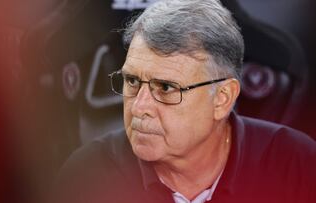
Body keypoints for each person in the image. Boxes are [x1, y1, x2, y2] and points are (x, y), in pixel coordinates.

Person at [51, 0, 316, 202]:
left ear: (223, 99)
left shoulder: (295, 164)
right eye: (131, 81)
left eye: (166, 88)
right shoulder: (86, 174)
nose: (139, 107)